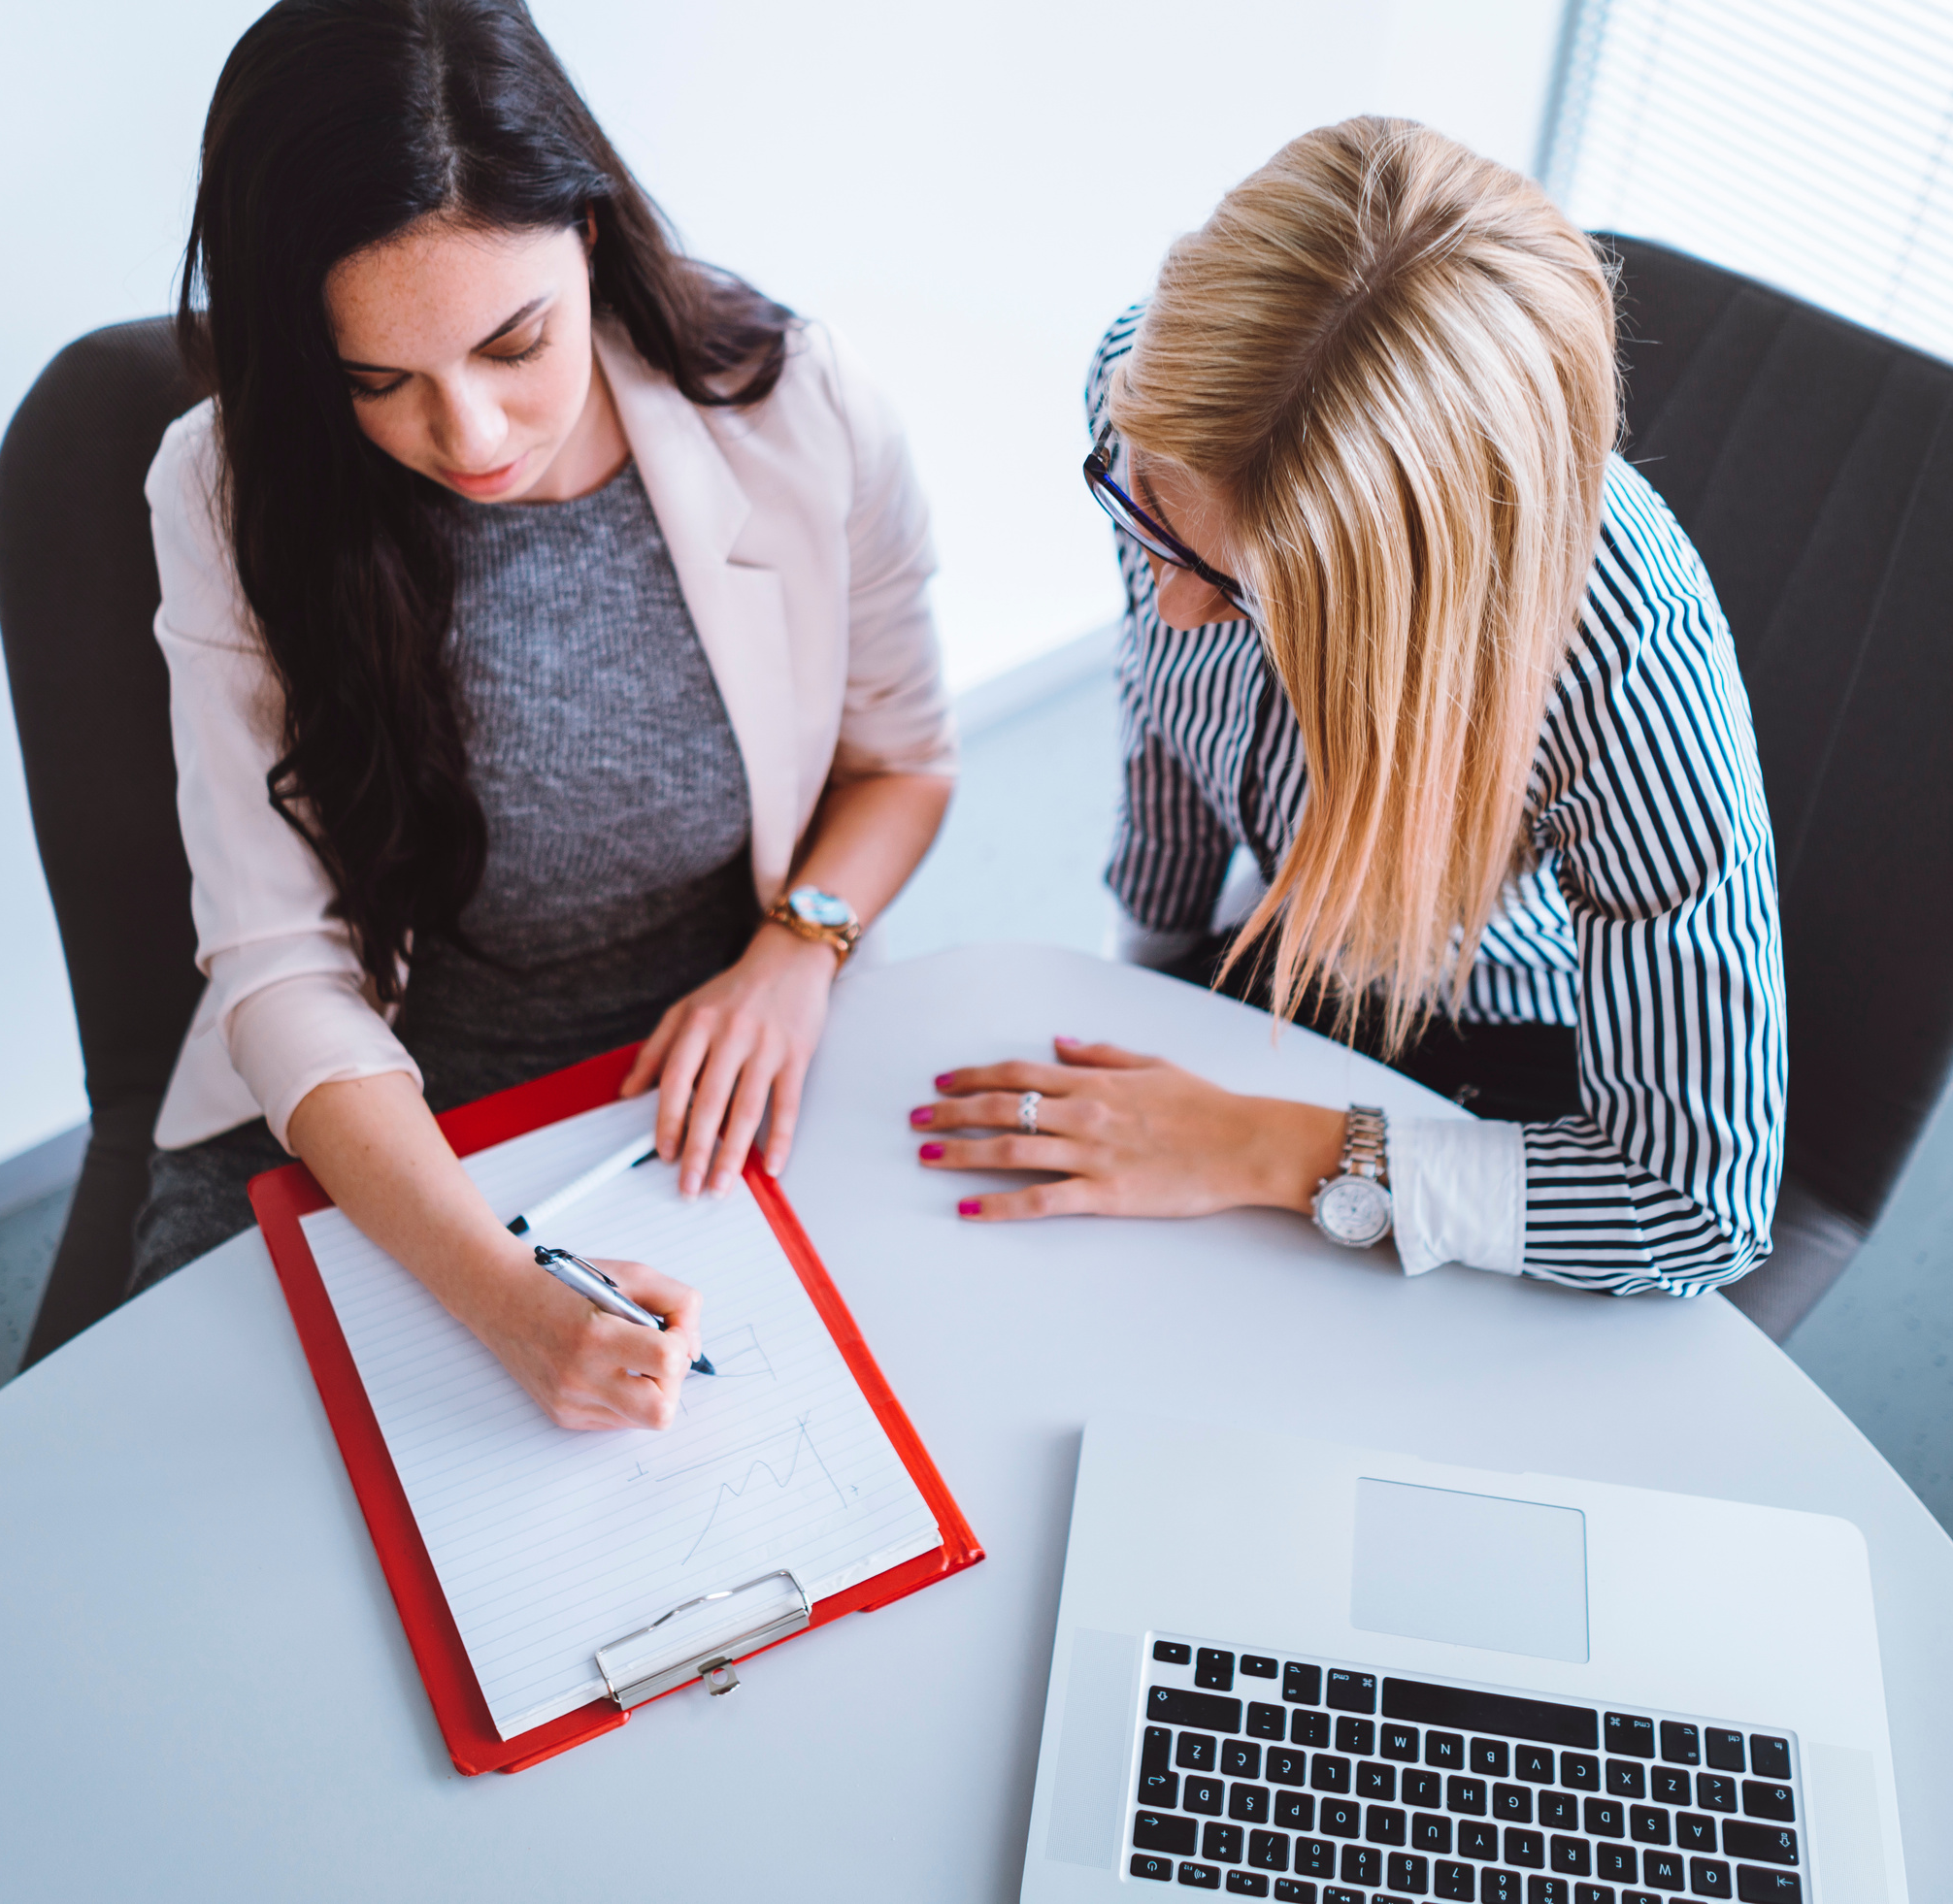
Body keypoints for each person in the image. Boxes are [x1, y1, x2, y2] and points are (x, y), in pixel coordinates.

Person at [138, 0, 953, 1428]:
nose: (470, 437)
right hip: (384, 1094)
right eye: (376, 382)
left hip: (714, 1051)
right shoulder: (223, 491)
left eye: (515, 345)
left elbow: (903, 762)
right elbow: (276, 965)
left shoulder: (796, 398)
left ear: (588, 230)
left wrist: (796, 950)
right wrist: (500, 1293)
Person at [913, 118, 1783, 1297]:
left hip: (1480, 1029)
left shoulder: (1625, 658)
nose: (1163, 605)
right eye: (1148, 521)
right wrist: (1143, 969)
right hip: (1267, 950)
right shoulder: (1158, 409)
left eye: (1244, 591)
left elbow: (1693, 1212)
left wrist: (1262, 1145)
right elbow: (1165, 710)